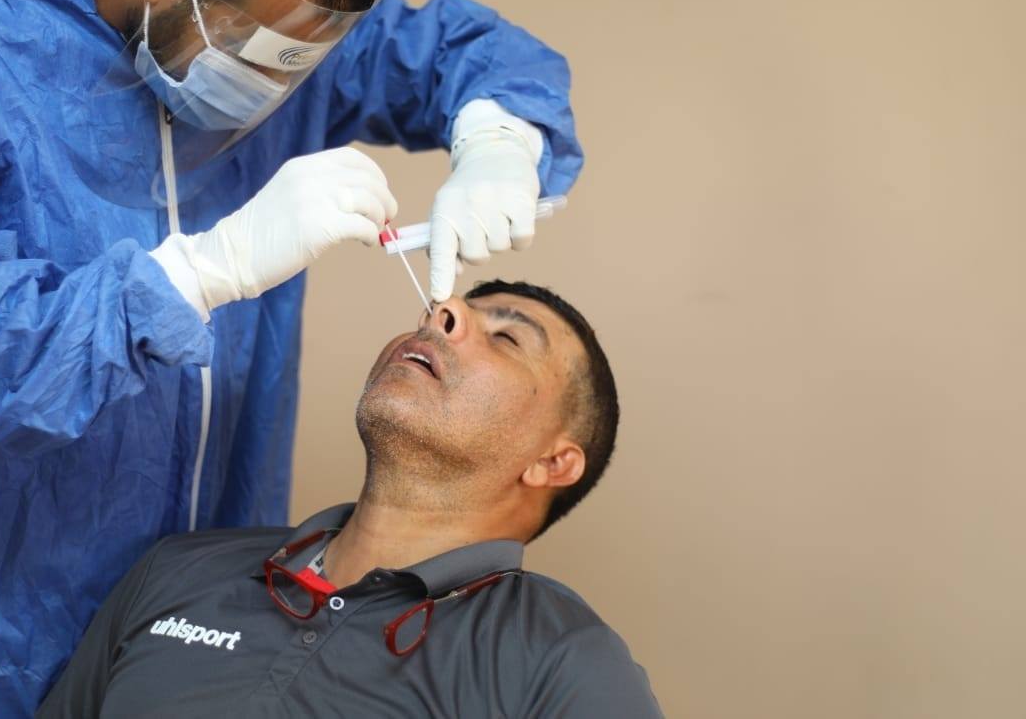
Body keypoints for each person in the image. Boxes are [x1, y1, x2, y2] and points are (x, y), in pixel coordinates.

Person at [0, 0, 581, 713]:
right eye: (259, 61)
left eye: (302, 67)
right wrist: (199, 273)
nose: (281, 93)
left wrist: (499, 138)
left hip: (205, 618)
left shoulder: (284, 20)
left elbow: (457, 53)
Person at [38, 281, 661, 718]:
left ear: (553, 462)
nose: (442, 312)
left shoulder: (562, 659)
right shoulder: (179, 569)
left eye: (506, 338)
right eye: (445, 308)